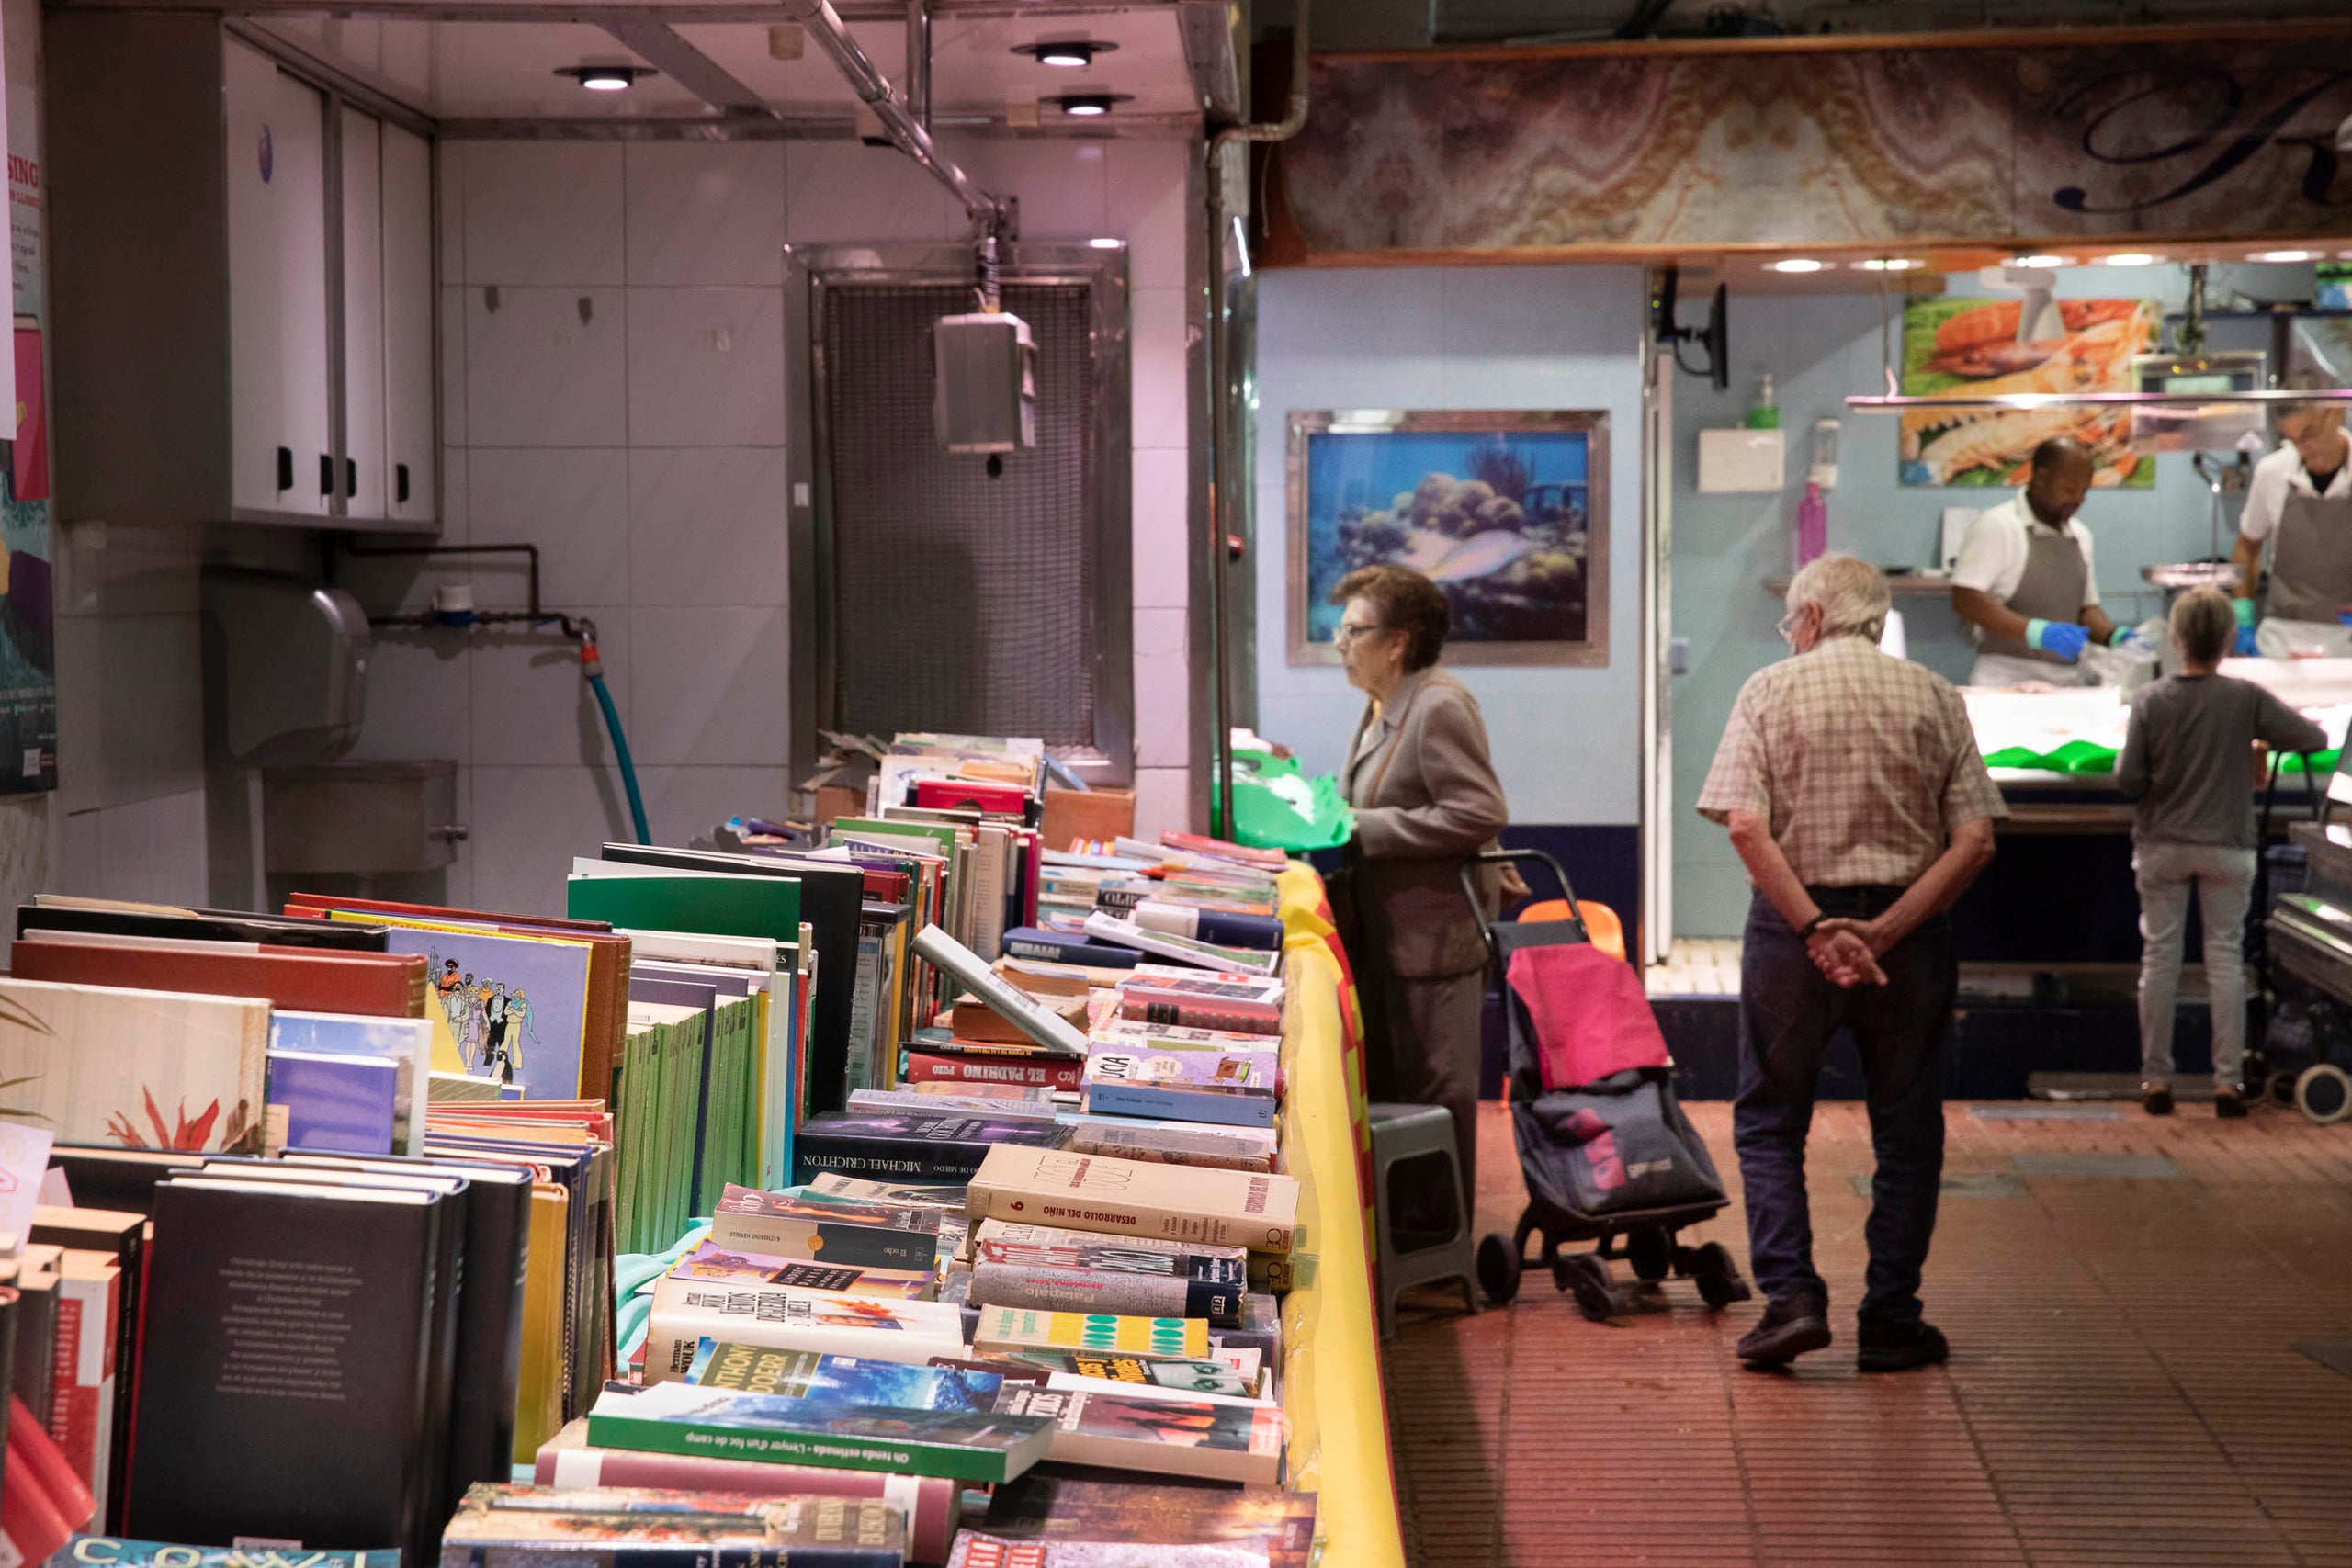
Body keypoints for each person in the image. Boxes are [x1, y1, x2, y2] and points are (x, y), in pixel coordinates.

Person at [1699, 553, 2005, 1372]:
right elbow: (1976, 838)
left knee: (1770, 1120)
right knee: (1908, 1129)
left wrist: (1815, 929)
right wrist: (1887, 930)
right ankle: (1891, 1318)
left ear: (1808, 618)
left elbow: (1744, 827)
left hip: (1795, 932)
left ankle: (1793, 1300)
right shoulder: (1936, 695)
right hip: (1910, 939)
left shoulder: (1769, 688)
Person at [1331, 563, 1510, 1200]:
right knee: (1402, 1094)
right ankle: (1416, 1237)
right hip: (1393, 939)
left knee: (1440, 1095)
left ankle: (1445, 1248)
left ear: (1398, 641)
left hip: (1436, 943)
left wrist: (1366, 827)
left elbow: (1479, 810)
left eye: (1353, 629)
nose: (1339, 642)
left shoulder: (1438, 705)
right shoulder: (1383, 705)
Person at [2116, 588, 2325, 1118]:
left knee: (2159, 960)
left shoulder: (2151, 699)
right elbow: (2311, 737)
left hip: (2161, 844)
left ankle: (2155, 1081)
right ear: (2230, 640)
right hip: (2228, 845)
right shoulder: (2244, 698)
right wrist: (2257, 745)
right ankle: (2227, 1084)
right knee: (2226, 960)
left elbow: (2128, 779)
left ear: (2175, 637)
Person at [1950, 436, 2136, 686]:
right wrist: (2036, 632)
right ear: (2040, 476)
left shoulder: (2080, 536)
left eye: (2084, 491)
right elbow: (1966, 598)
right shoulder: (1998, 526)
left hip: (2065, 682)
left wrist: (2113, 636)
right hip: (2004, 679)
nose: (2079, 499)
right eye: (2069, 489)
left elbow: (2085, 608)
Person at [2231, 392, 2352, 657]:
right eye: (2293, 440)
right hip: (2282, 638)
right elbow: (2247, 546)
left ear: (2335, 414)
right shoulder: (2272, 471)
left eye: (2309, 435)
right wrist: (2242, 618)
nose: (2303, 448)